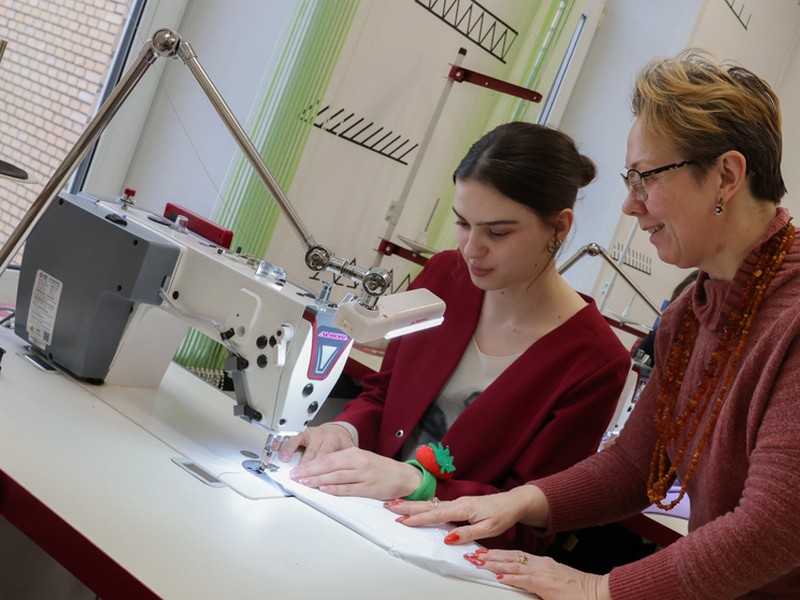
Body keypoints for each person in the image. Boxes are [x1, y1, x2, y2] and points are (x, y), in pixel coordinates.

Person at [387, 50, 800, 599]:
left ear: (726, 176)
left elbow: (776, 527)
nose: (630, 205)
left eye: (645, 178)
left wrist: (599, 590)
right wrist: (517, 502)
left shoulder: (789, 318)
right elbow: (635, 465)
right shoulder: (690, 313)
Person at [279, 121, 631, 553]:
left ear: (559, 227)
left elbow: (530, 521)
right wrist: (342, 431)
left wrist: (416, 484)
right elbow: (385, 394)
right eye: (463, 223)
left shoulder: (595, 361)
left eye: (498, 232)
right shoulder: (446, 275)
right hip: (358, 515)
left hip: (443, 550)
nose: (471, 249)